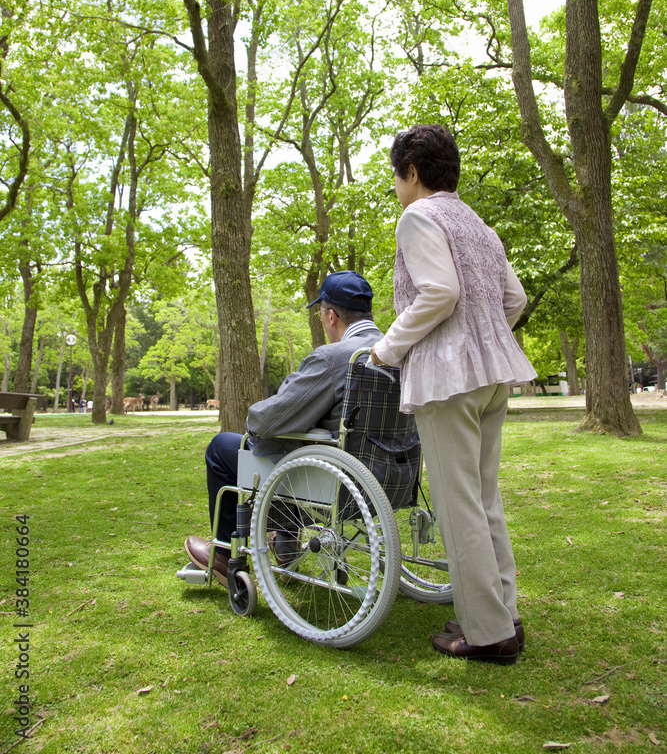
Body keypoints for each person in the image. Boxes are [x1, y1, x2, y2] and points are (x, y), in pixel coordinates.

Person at [371, 124, 536, 665]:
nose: (397, 187)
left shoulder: (418, 216)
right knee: (485, 499)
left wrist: (388, 348)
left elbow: (440, 292)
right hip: (492, 376)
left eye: (397, 176)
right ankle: (501, 613)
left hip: (447, 379)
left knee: (458, 504)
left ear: (412, 172)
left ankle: (488, 634)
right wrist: (485, 336)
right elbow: (514, 298)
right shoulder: (477, 224)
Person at [184, 270, 383, 586]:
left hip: (332, 480)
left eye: (320, 316)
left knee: (225, 446)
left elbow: (266, 420)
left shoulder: (335, 357)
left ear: (331, 316)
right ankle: (286, 541)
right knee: (296, 443)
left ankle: (223, 553)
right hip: (385, 475)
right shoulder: (397, 351)